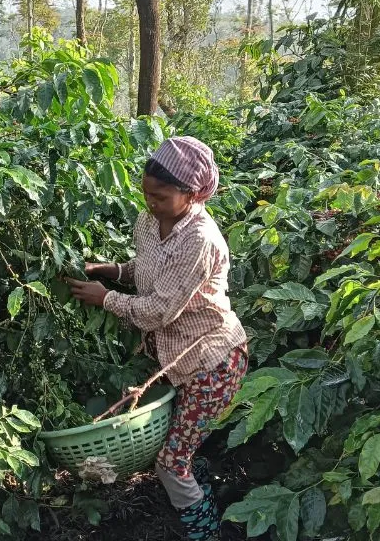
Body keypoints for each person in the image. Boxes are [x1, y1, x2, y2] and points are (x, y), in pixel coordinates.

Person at [66, 136, 248, 541]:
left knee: (170, 461)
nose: (151, 203)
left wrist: (106, 299)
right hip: (172, 357)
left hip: (210, 361)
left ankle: (205, 531)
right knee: (178, 443)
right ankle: (204, 487)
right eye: (146, 193)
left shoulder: (200, 240)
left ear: (193, 193)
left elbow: (159, 310)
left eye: (161, 197)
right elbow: (146, 269)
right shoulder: (149, 222)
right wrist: (113, 270)